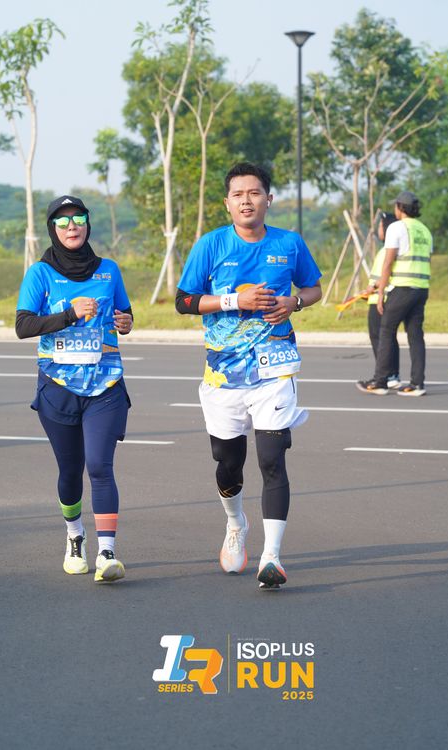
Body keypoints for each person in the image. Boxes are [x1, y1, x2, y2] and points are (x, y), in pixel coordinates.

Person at [175, 162, 322, 589]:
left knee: (272, 459)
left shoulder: (289, 243)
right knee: (228, 463)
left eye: (254, 193)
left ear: (268, 199)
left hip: (274, 370)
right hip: (223, 376)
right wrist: (232, 301)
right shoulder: (211, 244)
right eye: (238, 194)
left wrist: (294, 303)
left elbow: (314, 288)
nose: (246, 201)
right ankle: (236, 523)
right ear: (227, 203)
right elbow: (184, 301)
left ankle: (271, 557)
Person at [16, 195, 133, 582]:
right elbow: (23, 326)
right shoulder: (40, 273)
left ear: (87, 224)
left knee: (99, 465)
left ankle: (107, 551)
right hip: (58, 386)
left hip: (105, 383)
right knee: (70, 470)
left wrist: (126, 321)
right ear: (53, 229)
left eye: (78, 218)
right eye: (63, 221)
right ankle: (75, 536)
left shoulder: (108, 270)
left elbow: (125, 313)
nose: (72, 226)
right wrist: (69, 315)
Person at [356, 191, 432, 397]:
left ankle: (381, 381)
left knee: (386, 330)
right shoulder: (425, 230)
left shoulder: (397, 227)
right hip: (421, 288)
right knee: (415, 335)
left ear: (400, 207)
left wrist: (381, 292)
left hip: (402, 287)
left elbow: (388, 262)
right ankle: (417, 384)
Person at [365, 211, 401, 389]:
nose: (378, 229)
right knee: (387, 338)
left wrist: (374, 287)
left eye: (380, 225)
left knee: (380, 338)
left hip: (381, 299)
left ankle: (386, 376)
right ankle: (391, 375)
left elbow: (389, 273)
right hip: (378, 297)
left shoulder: (388, 250)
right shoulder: (386, 249)